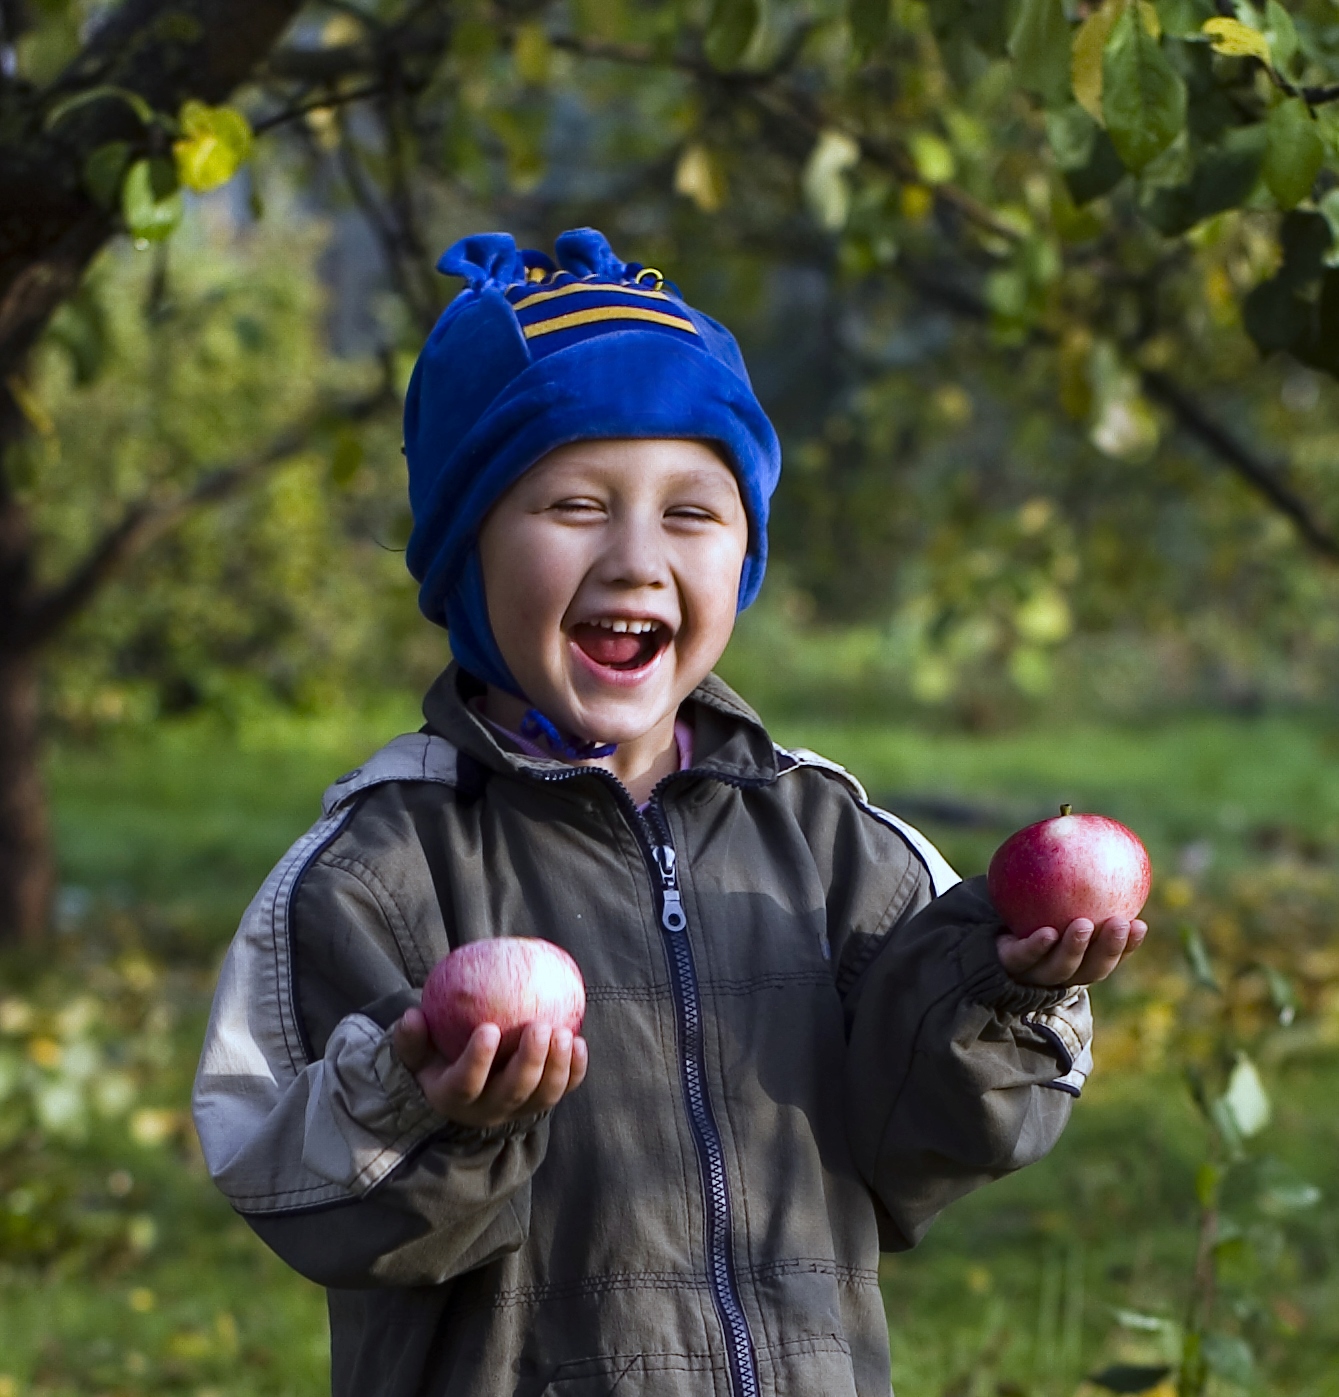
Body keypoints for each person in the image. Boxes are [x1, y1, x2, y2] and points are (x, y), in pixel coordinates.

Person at [193, 227, 1145, 1397]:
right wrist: (428, 1104)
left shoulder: (831, 841)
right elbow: (302, 1190)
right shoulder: (378, 869)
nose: (637, 558)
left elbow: (918, 1149)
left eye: (692, 512)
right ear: (464, 547)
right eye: (574, 504)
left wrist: (1002, 994)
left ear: (743, 554)